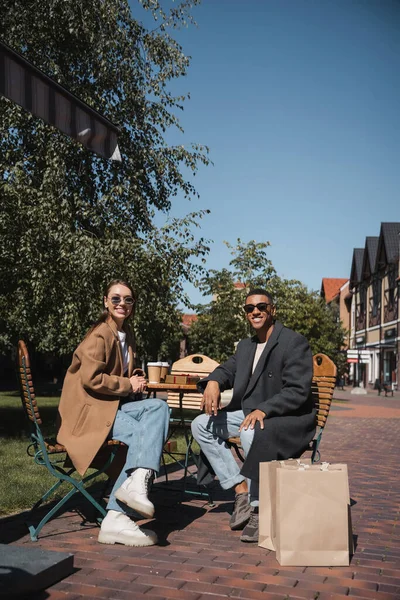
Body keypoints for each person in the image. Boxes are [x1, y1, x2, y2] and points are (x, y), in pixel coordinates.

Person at [191, 288, 316, 543]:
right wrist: (214, 381)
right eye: (250, 308)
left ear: (273, 310)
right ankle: (241, 491)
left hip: (285, 418)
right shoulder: (246, 346)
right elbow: (227, 369)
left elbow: (298, 390)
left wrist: (265, 409)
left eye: (261, 307)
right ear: (246, 314)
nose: (255, 311)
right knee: (201, 424)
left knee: (252, 430)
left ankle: (259, 508)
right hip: (251, 414)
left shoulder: (293, 342)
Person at [57, 279, 170, 547]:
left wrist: (135, 379)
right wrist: (127, 384)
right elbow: (92, 378)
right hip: (89, 413)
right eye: (116, 299)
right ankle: (118, 514)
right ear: (105, 302)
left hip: (109, 406)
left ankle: (134, 486)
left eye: (128, 300)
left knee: (159, 407)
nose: (122, 304)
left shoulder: (125, 334)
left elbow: (119, 375)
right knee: (146, 433)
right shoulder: (100, 334)